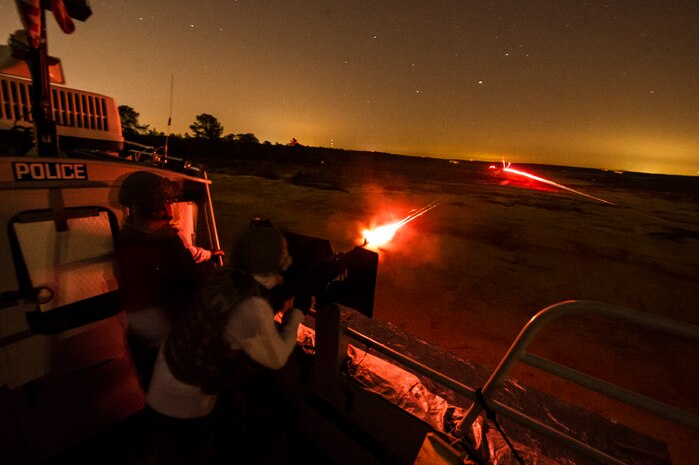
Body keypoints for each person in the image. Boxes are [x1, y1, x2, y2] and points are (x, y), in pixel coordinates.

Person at [145, 219, 304, 463]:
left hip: (168, 372)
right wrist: (295, 315)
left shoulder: (223, 275)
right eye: (280, 253)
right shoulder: (252, 306)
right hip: (184, 401)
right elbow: (277, 357)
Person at [116, 170, 223, 387]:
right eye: (168, 203)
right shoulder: (161, 248)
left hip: (140, 342)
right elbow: (195, 288)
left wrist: (209, 254)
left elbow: (188, 252)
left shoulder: (128, 237)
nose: (171, 210)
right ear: (157, 209)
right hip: (171, 346)